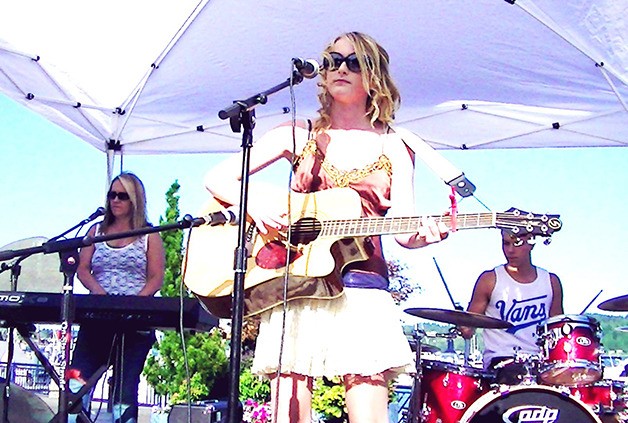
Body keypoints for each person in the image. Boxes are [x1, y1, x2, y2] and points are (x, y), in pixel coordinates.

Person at [203, 32, 449, 423]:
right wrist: (258, 201)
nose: (340, 68)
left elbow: (404, 229)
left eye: (354, 62)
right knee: (290, 406)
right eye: (333, 60)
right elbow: (218, 178)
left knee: (368, 406)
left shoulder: (397, 145)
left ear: (375, 77)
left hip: (363, 281)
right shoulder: (298, 134)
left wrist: (430, 233)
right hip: (298, 279)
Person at [68, 172, 165, 423]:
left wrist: (135, 302)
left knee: (124, 388)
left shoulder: (149, 235)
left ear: (135, 200)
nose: (115, 200)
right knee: (77, 381)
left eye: (122, 195)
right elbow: (81, 268)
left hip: (134, 320)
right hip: (97, 316)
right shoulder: (96, 231)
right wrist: (100, 294)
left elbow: (156, 278)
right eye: (112, 195)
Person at [460, 229, 563, 384]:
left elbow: (557, 334)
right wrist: (461, 323)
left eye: (516, 244)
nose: (510, 250)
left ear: (531, 243)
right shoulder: (490, 279)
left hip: (539, 362)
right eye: (505, 243)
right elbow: (467, 330)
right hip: (500, 362)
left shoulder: (551, 281)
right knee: (512, 374)